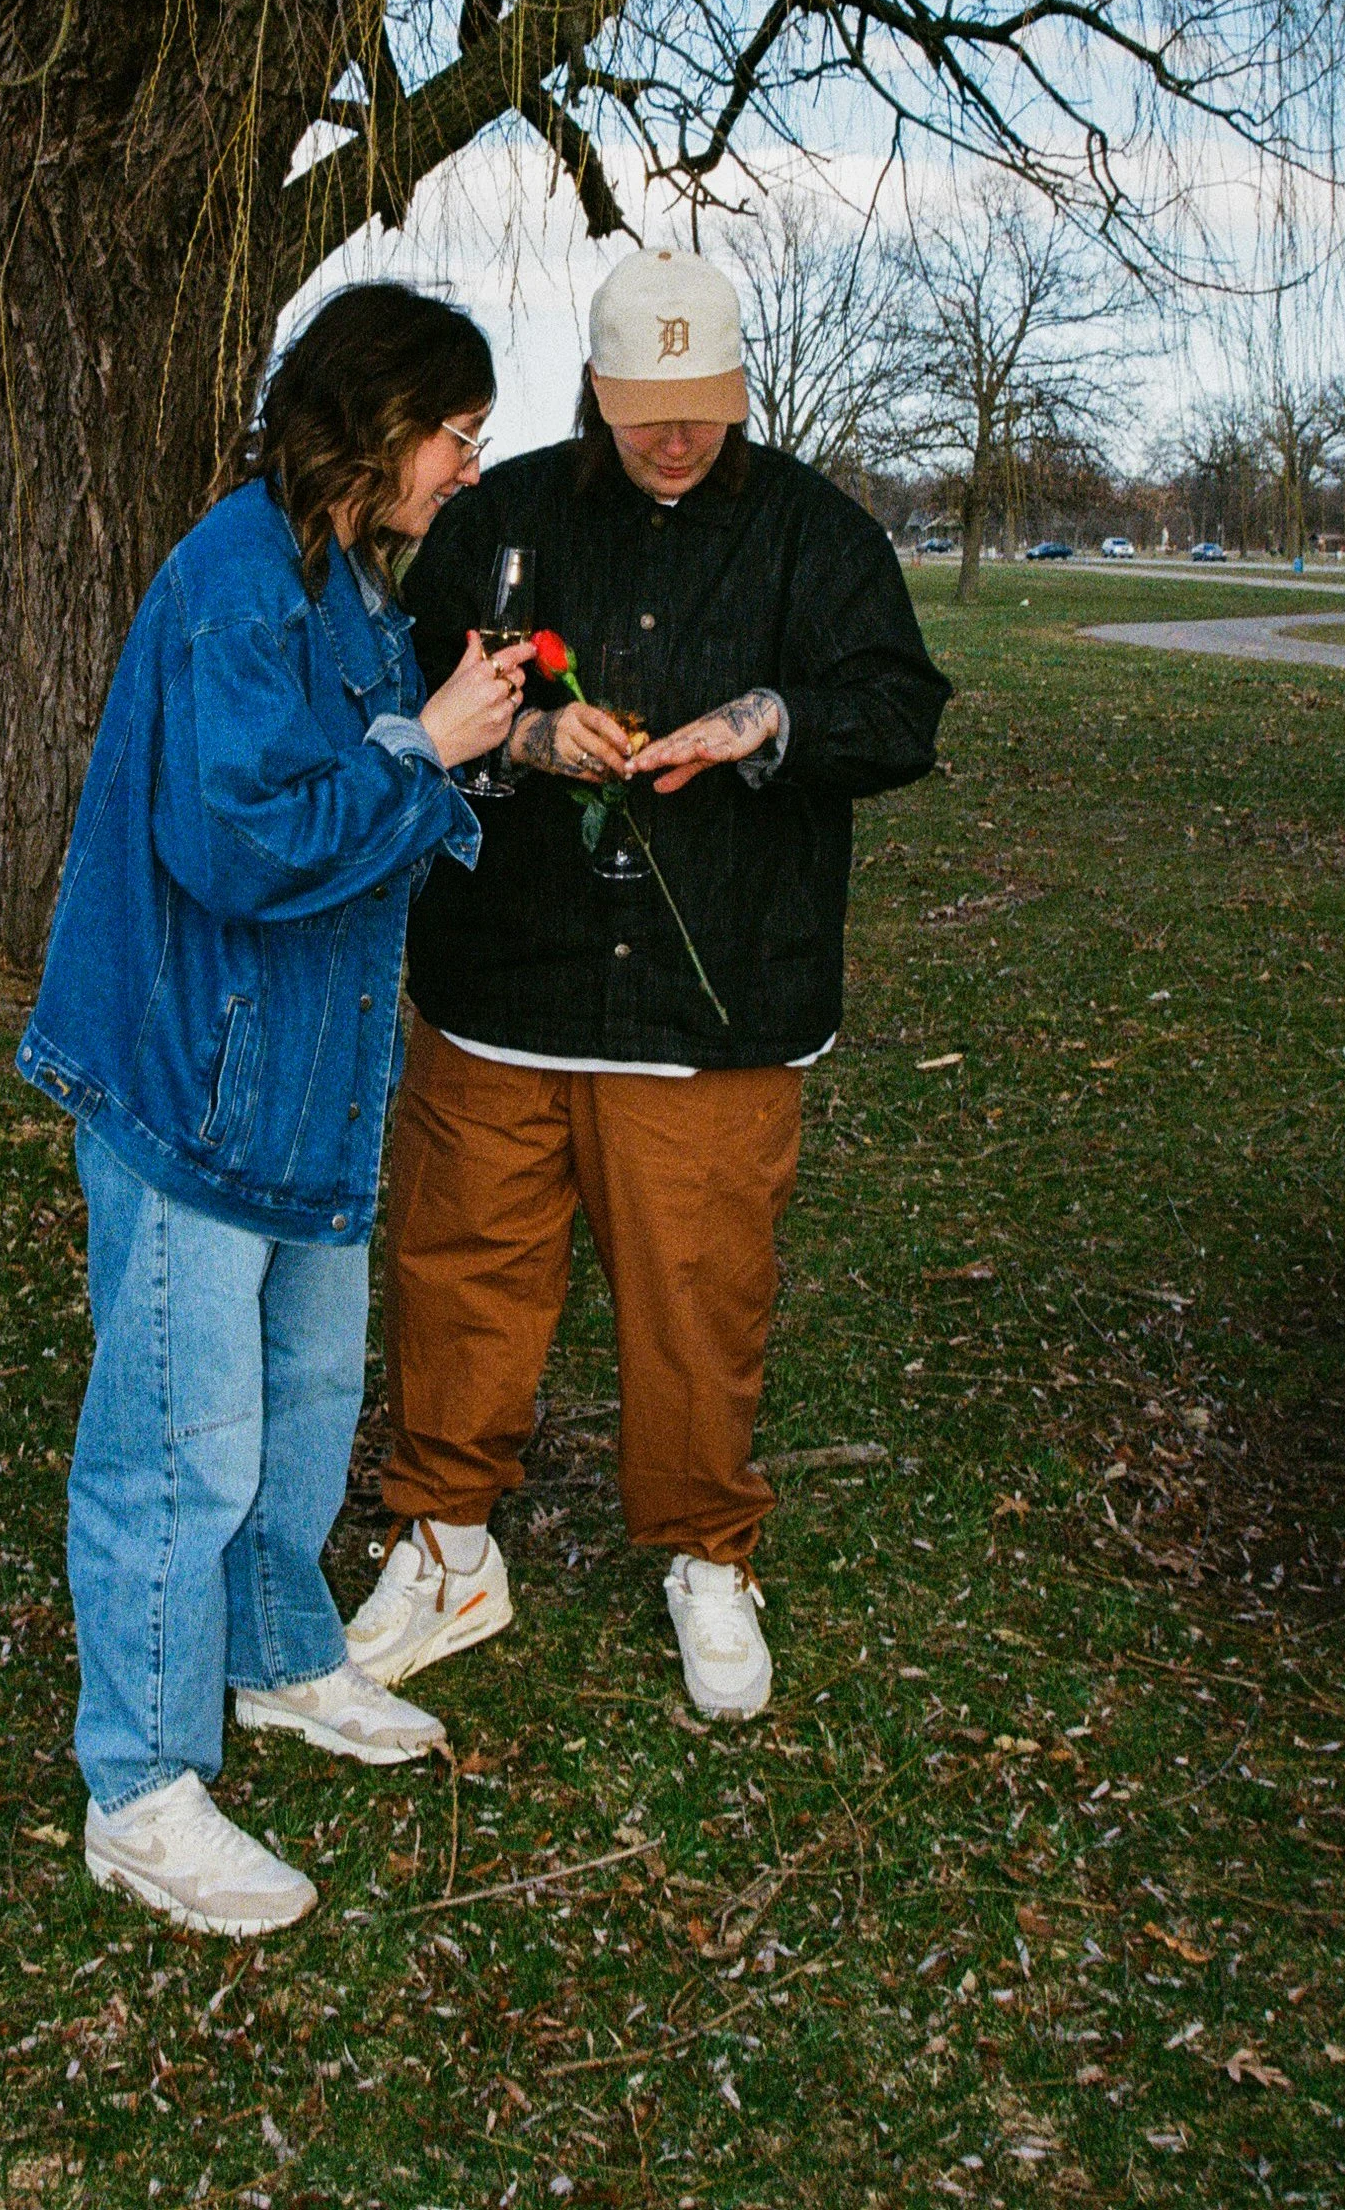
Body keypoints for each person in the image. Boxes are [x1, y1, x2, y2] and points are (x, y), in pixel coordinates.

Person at [345, 249, 950, 1720]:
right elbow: (402, 678)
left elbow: (900, 709)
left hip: (717, 1002)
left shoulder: (818, 532)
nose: (674, 438)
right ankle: (447, 1544)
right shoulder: (505, 512)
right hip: (506, 985)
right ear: (598, 391)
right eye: (644, 411)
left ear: (737, 390)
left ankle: (705, 1552)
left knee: (698, 1295)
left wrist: (763, 722)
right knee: (460, 1268)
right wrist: (521, 741)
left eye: (701, 408)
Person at [16, 283, 528, 1937]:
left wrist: (452, 739)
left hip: (301, 1090)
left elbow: (356, 774)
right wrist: (424, 752)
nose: (469, 466)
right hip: (191, 1086)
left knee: (304, 1393)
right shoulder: (236, 584)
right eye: (457, 434)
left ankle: (275, 1656)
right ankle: (143, 1785)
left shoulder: (345, 583)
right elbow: (237, 848)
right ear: (381, 425)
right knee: (178, 1445)